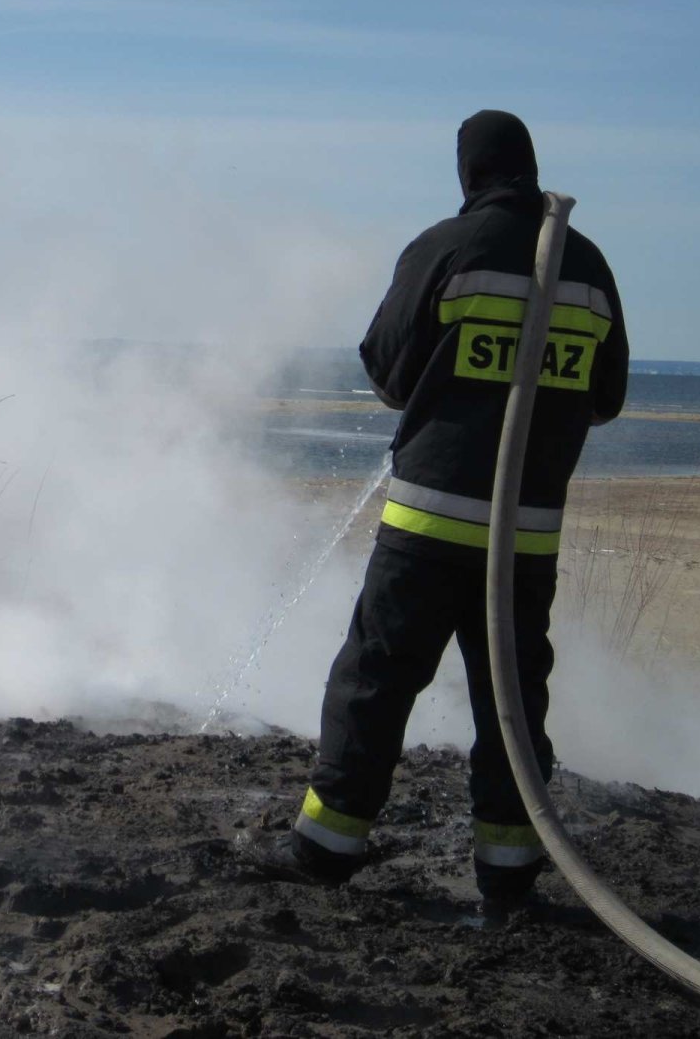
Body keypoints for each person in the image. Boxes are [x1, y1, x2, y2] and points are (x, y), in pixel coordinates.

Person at [263, 110, 629, 915]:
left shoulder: (445, 249)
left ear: (469, 172)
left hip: (427, 527)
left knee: (376, 680)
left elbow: (388, 373)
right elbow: (606, 398)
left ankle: (326, 850)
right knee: (512, 701)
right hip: (524, 539)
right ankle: (509, 872)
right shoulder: (590, 266)